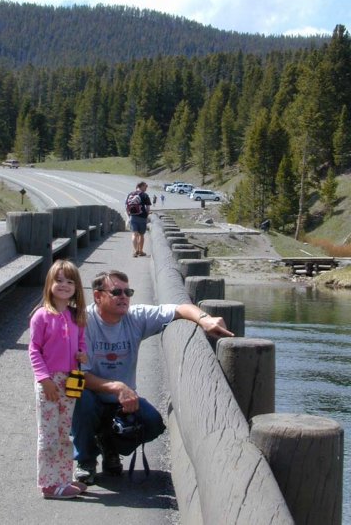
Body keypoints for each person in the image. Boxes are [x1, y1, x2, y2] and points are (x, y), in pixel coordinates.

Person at [72, 269, 234, 485]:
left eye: (128, 292)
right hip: (89, 394)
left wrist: (205, 319)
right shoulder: (83, 322)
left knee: (153, 424)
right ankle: (85, 461)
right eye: (117, 292)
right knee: (80, 399)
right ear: (97, 296)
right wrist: (118, 386)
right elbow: (78, 376)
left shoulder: (135, 317)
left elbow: (179, 309)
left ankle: (109, 445)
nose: (124, 297)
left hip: (122, 401)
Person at [29, 259, 89, 500]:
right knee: (49, 433)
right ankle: (49, 484)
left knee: (65, 432)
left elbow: (81, 341)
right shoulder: (41, 316)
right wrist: (44, 380)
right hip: (50, 381)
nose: (64, 285)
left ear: (76, 287)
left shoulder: (76, 316)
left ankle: (63, 477)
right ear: (49, 284)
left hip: (72, 378)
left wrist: (83, 353)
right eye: (59, 280)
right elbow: (34, 349)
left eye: (70, 281)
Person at [127, 181, 151, 257]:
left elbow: (126, 206)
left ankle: (135, 251)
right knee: (141, 235)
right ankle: (140, 251)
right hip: (142, 217)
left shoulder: (130, 194)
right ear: (141, 186)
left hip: (133, 217)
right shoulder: (144, 195)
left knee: (134, 234)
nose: (146, 188)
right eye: (145, 186)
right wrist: (147, 216)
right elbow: (148, 208)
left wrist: (129, 216)